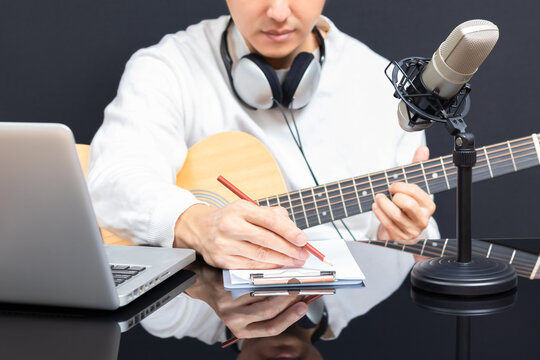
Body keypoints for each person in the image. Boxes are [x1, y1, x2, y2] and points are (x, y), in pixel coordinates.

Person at [88, 0, 439, 270]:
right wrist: (195, 224)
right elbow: (112, 180)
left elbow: (412, 252)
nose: (278, 12)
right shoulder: (167, 67)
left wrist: (403, 237)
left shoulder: (386, 87)